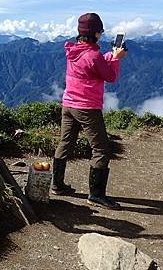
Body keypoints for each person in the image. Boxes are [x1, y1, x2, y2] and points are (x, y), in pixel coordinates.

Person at [51, 13, 127, 210]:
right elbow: (109, 75)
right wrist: (117, 58)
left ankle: (57, 185)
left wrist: (111, 55)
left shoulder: (73, 50)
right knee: (101, 149)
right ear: (96, 33)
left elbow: (95, 63)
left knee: (65, 142)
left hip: (68, 105)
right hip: (87, 108)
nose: (101, 34)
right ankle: (96, 195)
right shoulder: (93, 56)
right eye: (100, 31)